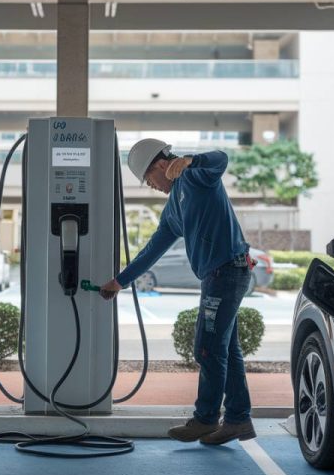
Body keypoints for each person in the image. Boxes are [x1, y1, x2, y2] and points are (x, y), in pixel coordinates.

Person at [100, 138, 256, 444]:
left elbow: (221, 159)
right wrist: (120, 281)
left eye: (149, 179)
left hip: (227, 270)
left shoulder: (195, 177)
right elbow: (153, 249)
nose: (152, 186)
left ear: (161, 165)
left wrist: (190, 161)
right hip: (217, 275)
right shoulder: (173, 208)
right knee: (227, 349)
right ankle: (238, 419)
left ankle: (206, 419)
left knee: (207, 347)